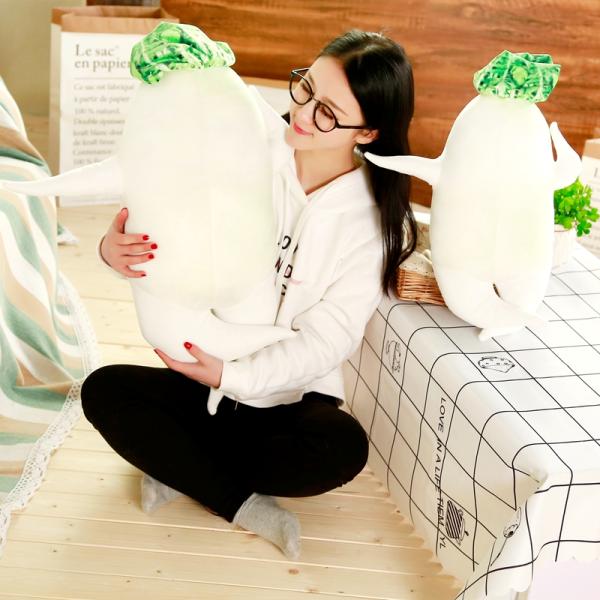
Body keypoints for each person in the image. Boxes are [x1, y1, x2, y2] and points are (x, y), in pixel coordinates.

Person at [80, 28, 417, 560]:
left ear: (369, 132)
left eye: (328, 113)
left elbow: (328, 341)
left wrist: (234, 377)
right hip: (202, 379)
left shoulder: (371, 222)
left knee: (342, 449)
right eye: (306, 88)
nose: (303, 113)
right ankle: (237, 499)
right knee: (103, 390)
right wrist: (112, 250)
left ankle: (184, 467)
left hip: (290, 401)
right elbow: (176, 237)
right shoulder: (244, 146)